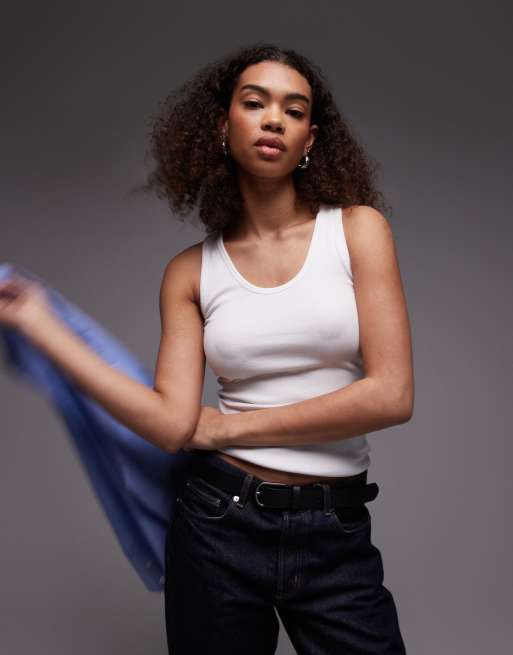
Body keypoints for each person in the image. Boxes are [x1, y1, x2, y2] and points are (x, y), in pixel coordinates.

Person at [0, 42, 413, 654]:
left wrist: (229, 429)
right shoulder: (190, 273)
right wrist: (42, 326)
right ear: (222, 126)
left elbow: (391, 395)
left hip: (335, 529)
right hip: (219, 524)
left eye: (294, 110)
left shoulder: (357, 231)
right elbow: (172, 425)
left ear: (310, 139)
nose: (274, 120)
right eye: (255, 102)